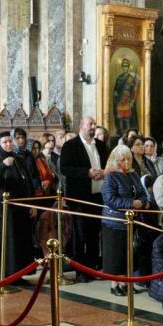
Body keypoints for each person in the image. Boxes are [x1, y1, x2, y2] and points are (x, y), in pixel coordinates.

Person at [59, 116, 108, 280]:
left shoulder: (100, 145)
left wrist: (104, 172)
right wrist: (87, 173)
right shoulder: (70, 146)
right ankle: (80, 271)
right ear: (81, 126)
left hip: (97, 196)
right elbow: (65, 169)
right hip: (80, 197)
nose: (93, 127)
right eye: (90, 124)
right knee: (80, 235)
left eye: (94, 124)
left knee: (94, 234)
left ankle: (92, 268)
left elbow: (107, 165)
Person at [0, 131, 35, 279]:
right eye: (4, 142)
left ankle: (18, 274)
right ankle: (4, 275)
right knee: (6, 243)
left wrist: (31, 204)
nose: (8, 144)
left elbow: (27, 183)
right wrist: (3, 166)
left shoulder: (19, 159)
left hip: (19, 207)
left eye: (9, 142)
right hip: (2, 209)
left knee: (19, 242)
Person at [101, 144, 148, 295]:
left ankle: (127, 282)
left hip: (131, 221)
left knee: (129, 254)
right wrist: (130, 203)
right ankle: (115, 285)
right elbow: (110, 199)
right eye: (123, 160)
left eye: (129, 159)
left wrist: (141, 201)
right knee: (116, 255)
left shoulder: (133, 175)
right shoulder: (111, 175)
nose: (127, 163)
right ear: (117, 160)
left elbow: (141, 192)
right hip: (114, 222)